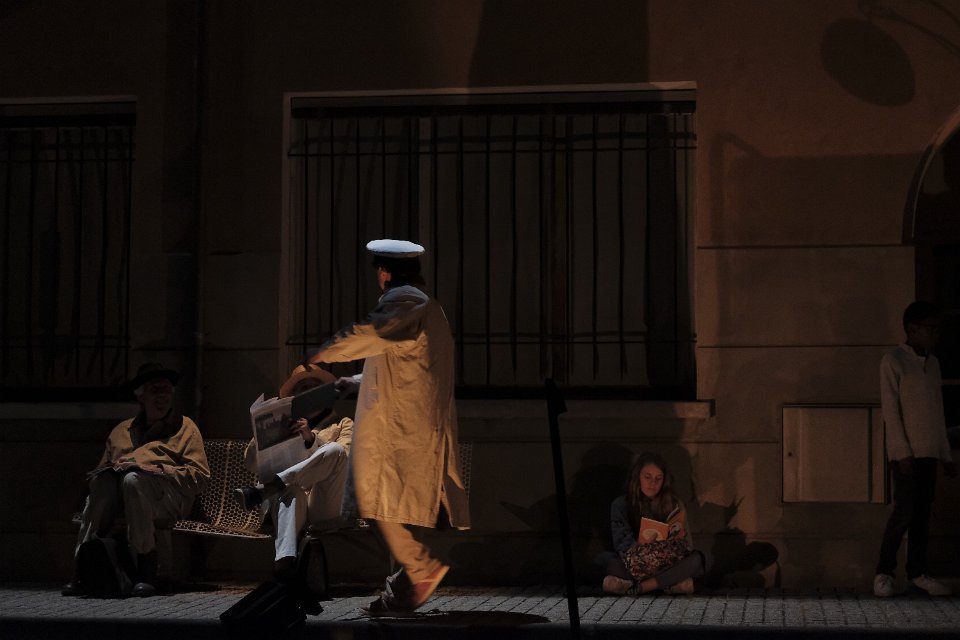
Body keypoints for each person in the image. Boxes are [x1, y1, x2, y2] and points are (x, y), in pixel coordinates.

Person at [305, 238, 470, 614]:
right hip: (407, 423)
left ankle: (418, 569)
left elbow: (371, 334)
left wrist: (323, 352)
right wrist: (353, 382)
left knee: (377, 501)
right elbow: (403, 364)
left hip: (401, 428)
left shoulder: (406, 300)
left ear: (384, 272)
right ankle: (404, 589)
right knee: (395, 508)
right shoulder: (428, 308)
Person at [63, 363, 211, 597]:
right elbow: (98, 475)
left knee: (134, 479)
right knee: (103, 482)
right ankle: (82, 566)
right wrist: (110, 471)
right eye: (155, 390)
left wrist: (156, 469)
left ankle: (146, 569)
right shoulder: (121, 431)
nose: (162, 396)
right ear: (141, 396)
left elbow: (200, 478)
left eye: (166, 389)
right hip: (123, 497)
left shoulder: (185, 428)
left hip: (168, 498)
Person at [234, 363, 352, 580]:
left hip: (322, 503)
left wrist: (311, 439)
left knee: (335, 450)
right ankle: (284, 563)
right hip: (287, 500)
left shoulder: (342, 424)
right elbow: (251, 464)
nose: (311, 393)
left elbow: (345, 458)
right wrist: (264, 432)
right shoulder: (281, 423)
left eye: (316, 388)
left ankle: (271, 486)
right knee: (292, 491)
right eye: (304, 388)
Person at [873, 301, 957, 597]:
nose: (935, 335)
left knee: (922, 515)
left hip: (929, 450)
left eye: (937, 329)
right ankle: (884, 572)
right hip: (907, 454)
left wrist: (945, 454)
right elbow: (891, 411)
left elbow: (937, 411)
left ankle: (917, 573)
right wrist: (902, 452)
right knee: (903, 513)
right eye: (930, 329)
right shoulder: (893, 360)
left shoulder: (932, 364)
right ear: (912, 329)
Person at [597, 451, 708, 596]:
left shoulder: (674, 503)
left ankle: (641, 586)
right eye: (647, 477)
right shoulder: (621, 504)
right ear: (638, 477)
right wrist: (642, 546)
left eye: (658, 478)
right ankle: (670, 583)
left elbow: (687, 545)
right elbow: (621, 544)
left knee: (699, 559)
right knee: (604, 560)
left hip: (666, 561)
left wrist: (672, 542)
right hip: (635, 562)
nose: (652, 483)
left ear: (664, 481)